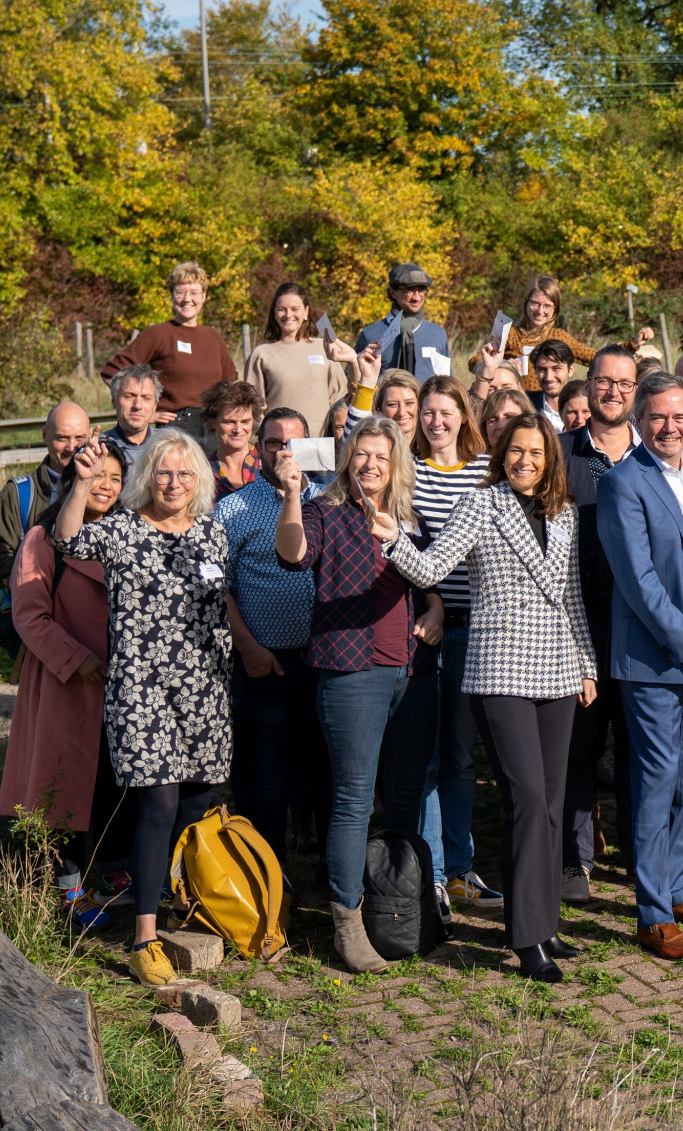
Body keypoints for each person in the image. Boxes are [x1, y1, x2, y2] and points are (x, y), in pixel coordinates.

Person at [380, 414, 598, 984]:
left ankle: (546, 923)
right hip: (499, 669)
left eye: (536, 452)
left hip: (558, 670)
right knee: (526, 799)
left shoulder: (565, 512)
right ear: (501, 454)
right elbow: (432, 566)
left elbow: (572, 595)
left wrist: (587, 665)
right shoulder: (481, 505)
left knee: (551, 803)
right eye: (515, 451)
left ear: (550, 457)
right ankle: (525, 938)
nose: (525, 461)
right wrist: (393, 539)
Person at [53, 431, 234, 986]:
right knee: (158, 802)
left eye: (184, 474)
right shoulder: (123, 531)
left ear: (198, 479)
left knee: (196, 802)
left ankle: (175, 893)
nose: (174, 483)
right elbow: (68, 543)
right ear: (146, 478)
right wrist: (83, 484)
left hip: (205, 689)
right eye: (163, 473)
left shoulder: (213, 534)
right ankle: (145, 937)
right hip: (142, 690)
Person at [273, 415, 441, 972]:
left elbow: (428, 578)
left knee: (405, 796)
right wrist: (294, 496)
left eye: (381, 456)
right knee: (352, 800)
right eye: (362, 454)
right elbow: (293, 554)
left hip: (412, 671)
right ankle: (347, 922)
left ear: (396, 463)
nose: (371, 464)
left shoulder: (408, 518)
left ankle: (400, 908)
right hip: (352, 672)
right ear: (348, 460)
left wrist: (436, 608)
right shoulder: (327, 513)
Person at [596, 372, 683, 961]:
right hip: (658, 659)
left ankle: (680, 888)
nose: (671, 427)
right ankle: (652, 914)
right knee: (655, 784)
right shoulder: (622, 483)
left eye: (681, 416)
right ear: (639, 418)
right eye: (658, 416)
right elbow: (640, 584)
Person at [351, 358, 497, 913]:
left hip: (476, 629)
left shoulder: (484, 470)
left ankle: (459, 868)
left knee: (461, 758)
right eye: (427, 413)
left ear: (464, 415)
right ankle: (428, 872)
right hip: (421, 630)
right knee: (428, 759)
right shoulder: (406, 468)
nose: (436, 421)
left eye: (445, 411)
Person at [0, 445, 131, 930]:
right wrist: (77, 661)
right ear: (74, 474)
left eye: (115, 478)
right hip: (64, 684)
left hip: (120, 686)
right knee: (64, 789)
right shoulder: (42, 539)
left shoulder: (127, 534)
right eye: (96, 473)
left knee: (115, 782)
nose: (105, 485)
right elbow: (29, 615)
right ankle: (68, 891)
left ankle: (115, 872)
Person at [217, 409, 329, 867]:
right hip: (266, 663)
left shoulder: (331, 500)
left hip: (327, 661)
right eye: (273, 444)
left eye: (294, 444)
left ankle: (331, 876)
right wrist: (248, 648)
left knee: (328, 771)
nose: (284, 452)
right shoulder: (234, 509)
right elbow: (216, 588)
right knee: (266, 778)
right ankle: (265, 877)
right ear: (256, 448)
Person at [560, 346, 642, 904]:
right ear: (587, 388)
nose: (613, 392)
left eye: (624, 383)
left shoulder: (658, 457)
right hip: (577, 625)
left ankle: (644, 858)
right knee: (578, 751)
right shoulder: (560, 454)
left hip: (640, 630)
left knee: (640, 749)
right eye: (604, 382)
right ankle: (574, 861)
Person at [101, 262, 240, 438]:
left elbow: (229, 384)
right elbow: (111, 372)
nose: (187, 299)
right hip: (175, 429)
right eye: (180, 292)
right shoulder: (158, 333)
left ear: (204, 296)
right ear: (172, 296)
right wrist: (147, 413)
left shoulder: (213, 337)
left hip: (214, 429)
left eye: (194, 293)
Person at [0, 402, 95, 597]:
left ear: (91, 436)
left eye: (80, 438)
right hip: (34, 612)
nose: (71, 447)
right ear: (44, 436)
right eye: (62, 438)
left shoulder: (105, 491)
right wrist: (40, 577)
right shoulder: (17, 494)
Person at [243, 280, 352, 438]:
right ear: (274, 312)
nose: (288, 315)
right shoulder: (261, 354)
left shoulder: (324, 347)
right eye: (282, 309)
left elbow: (340, 397)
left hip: (322, 444)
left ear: (306, 311)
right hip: (281, 445)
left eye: (295, 309)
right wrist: (269, 437)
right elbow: (253, 406)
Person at [494, 276, 597, 390]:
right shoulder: (510, 334)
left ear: (555, 309)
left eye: (547, 306)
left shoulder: (560, 337)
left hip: (550, 405)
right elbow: (476, 362)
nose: (540, 311)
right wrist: (504, 365)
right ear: (526, 303)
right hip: (517, 404)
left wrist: (620, 349)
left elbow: (596, 357)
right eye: (535, 303)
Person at [358, 262, 451, 381]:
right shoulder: (370, 335)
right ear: (393, 292)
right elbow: (353, 385)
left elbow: (448, 384)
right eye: (409, 290)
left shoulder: (438, 334)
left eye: (421, 290)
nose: (416, 297)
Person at [204, 380, 267, 496]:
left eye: (245, 422)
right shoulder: (201, 472)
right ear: (212, 422)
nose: (238, 429)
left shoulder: (268, 463)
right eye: (229, 422)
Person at [103, 367, 163, 470]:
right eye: (129, 396)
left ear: (155, 406)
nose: (138, 405)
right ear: (114, 401)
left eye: (146, 398)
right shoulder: (99, 448)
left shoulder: (168, 445)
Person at [530, 339, 575, 430]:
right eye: (542, 369)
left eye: (556, 368)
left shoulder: (587, 406)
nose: (548, 378)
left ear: (570, 370)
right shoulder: (526, 405)